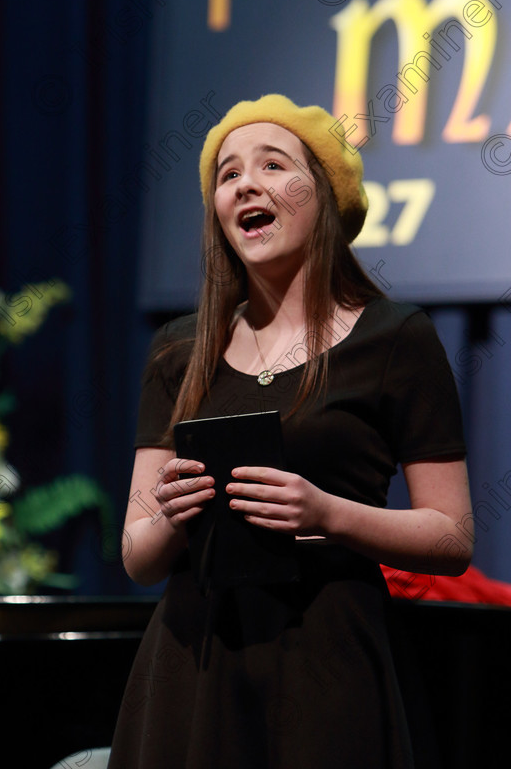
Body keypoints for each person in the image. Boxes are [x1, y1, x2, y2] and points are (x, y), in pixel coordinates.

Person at [107, 94, 472, 768]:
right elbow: (137, 554)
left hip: (328, 664)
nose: (246, 183)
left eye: (273, 165)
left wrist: (327, 513)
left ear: (327, 194)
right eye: (228, 174)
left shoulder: (395, 338)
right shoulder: (177, 352)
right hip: (193, 664)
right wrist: (170, 515)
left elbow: (451, 537)